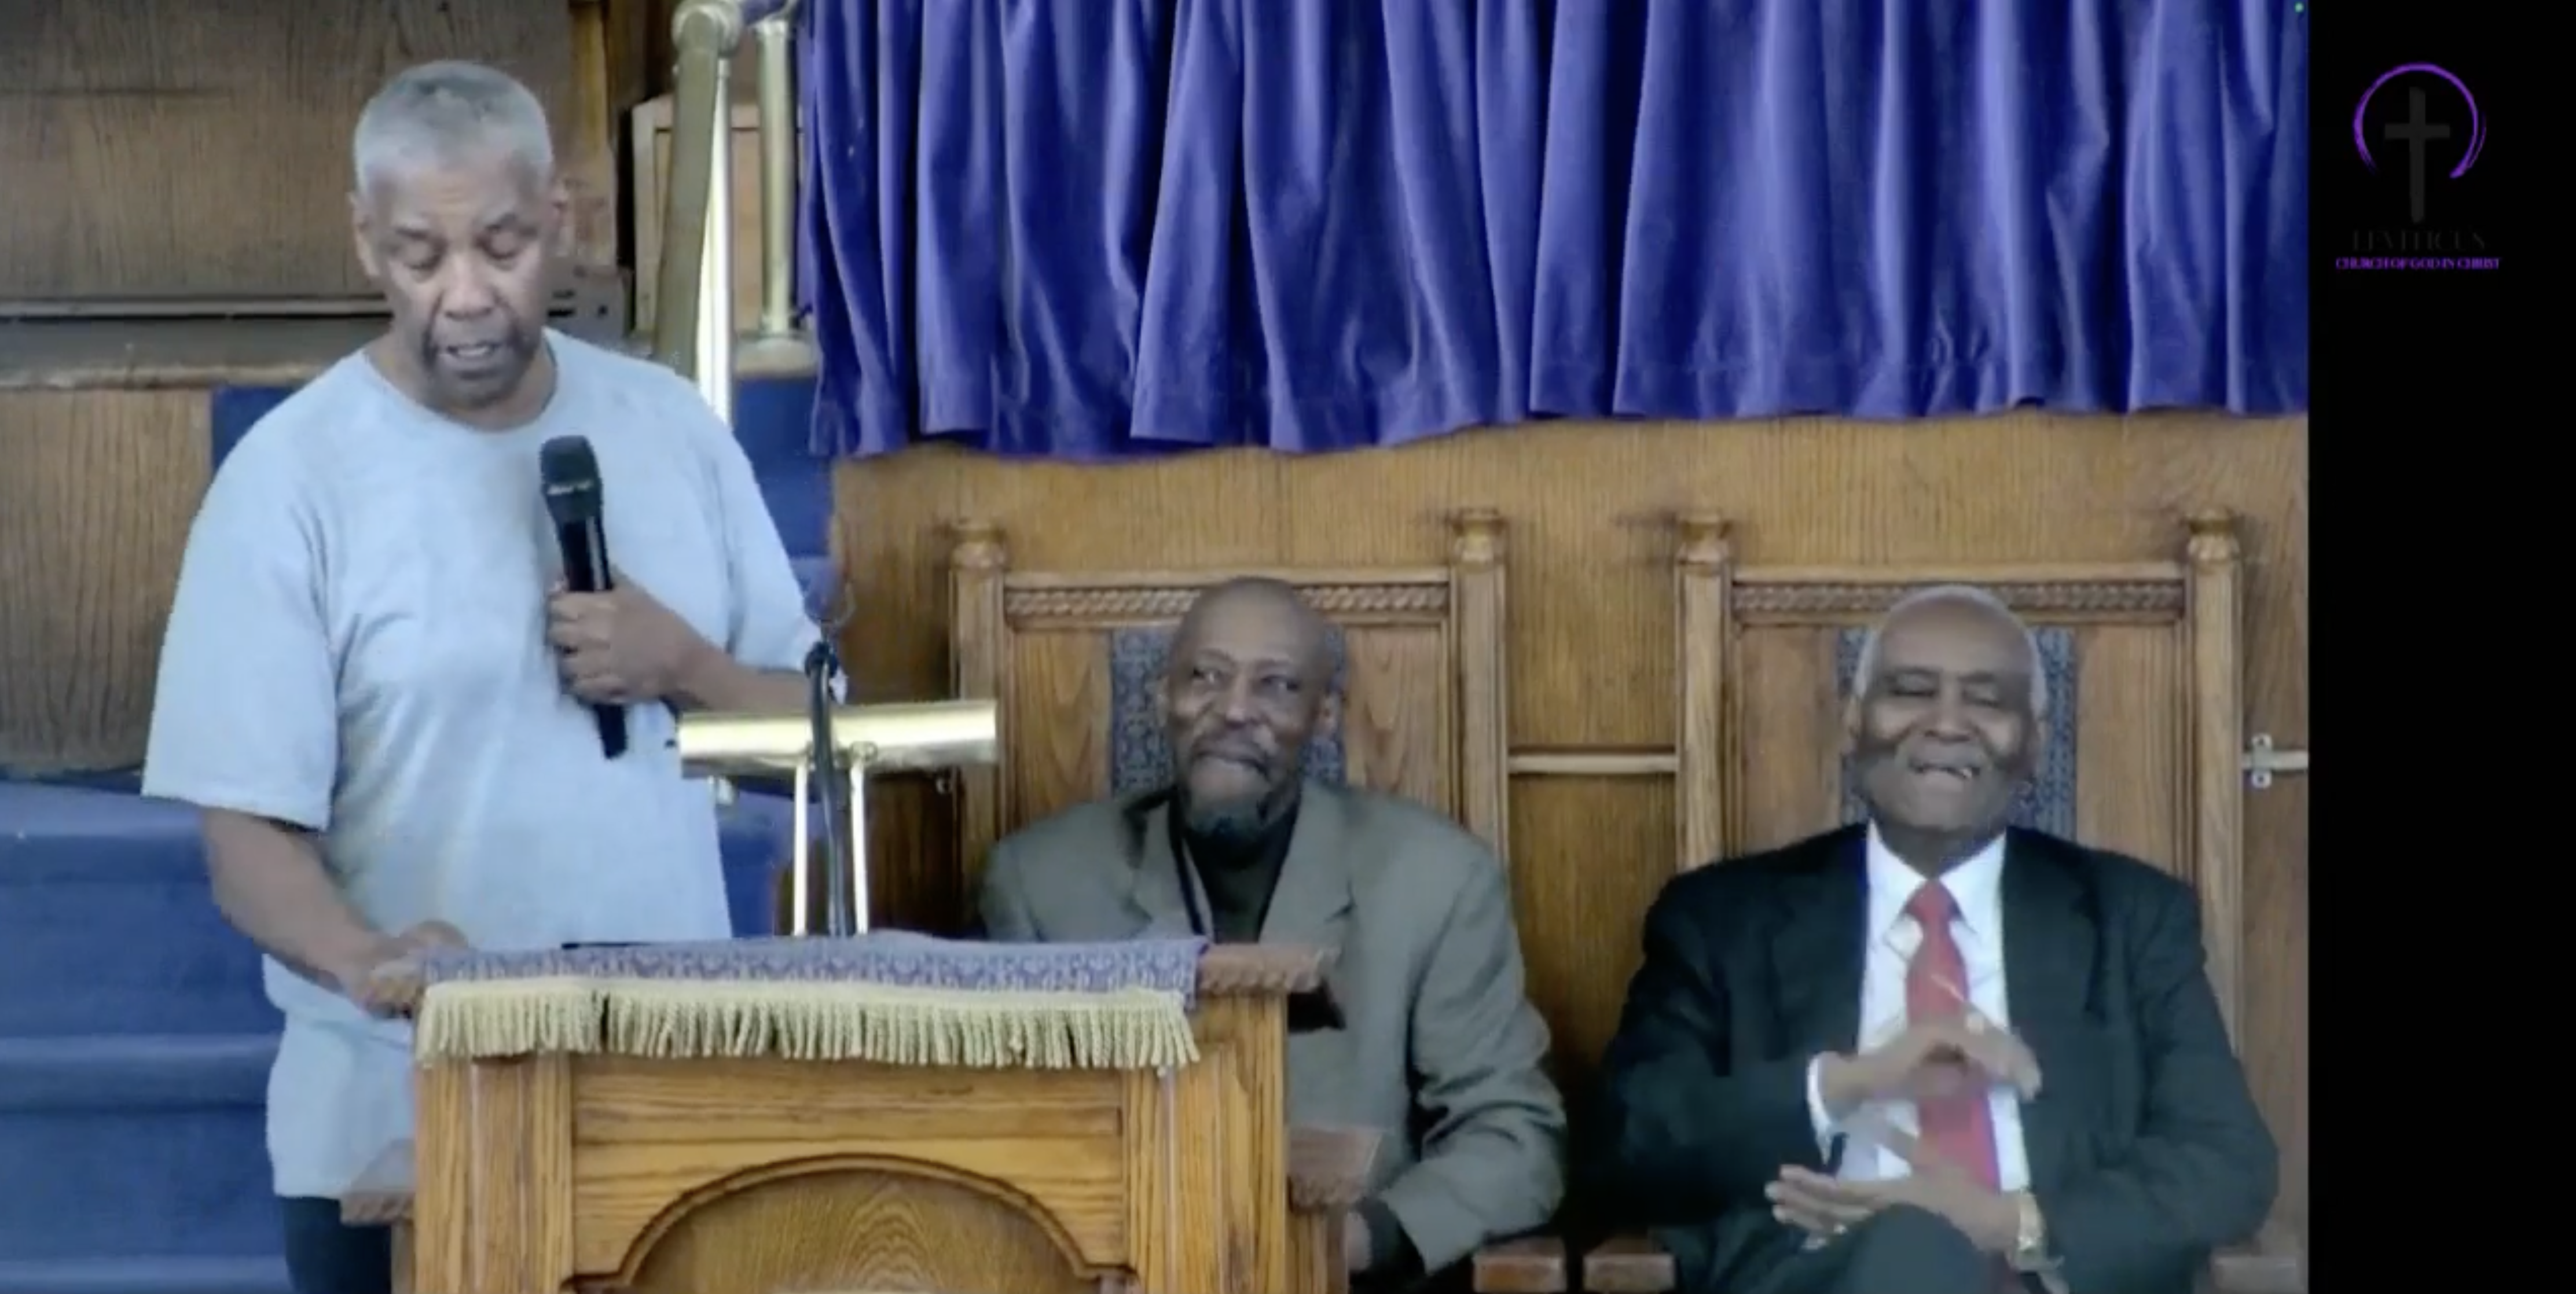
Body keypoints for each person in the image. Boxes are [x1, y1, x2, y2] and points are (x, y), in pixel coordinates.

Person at [140, 61, 824, 1294]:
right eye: (419, 254)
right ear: (364, 241)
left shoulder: (671, 428)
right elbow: (243, 835)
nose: (464, 296)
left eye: (502, 247)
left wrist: (687, 664)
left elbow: (829, 740)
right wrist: (368, 956)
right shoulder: (290, 482)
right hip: (393, 1124)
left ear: (561, 218)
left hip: (664, 1110)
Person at [1584, 586, 2276, 1294]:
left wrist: (2011, 1222)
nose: (1948, 723)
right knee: (1912, 1250)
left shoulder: (2131, 916)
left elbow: (2225, 1159)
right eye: (1911, 691)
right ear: (1853, 723)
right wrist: (1849, 1083)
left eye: (1988, 700)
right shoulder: (1724, 918)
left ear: (2034, 742)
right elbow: (1627, 1146)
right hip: (1817, 1278)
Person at [978, 578, 1565, 1290]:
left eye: (1277, 686)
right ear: (1161, 696)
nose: (1233, 710)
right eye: (1206, 677)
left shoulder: (1436, 880)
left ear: (1322, 717)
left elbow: (1513, 1138)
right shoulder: (1040, 882)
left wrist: (1360, 1239)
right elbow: (1007, 1140)